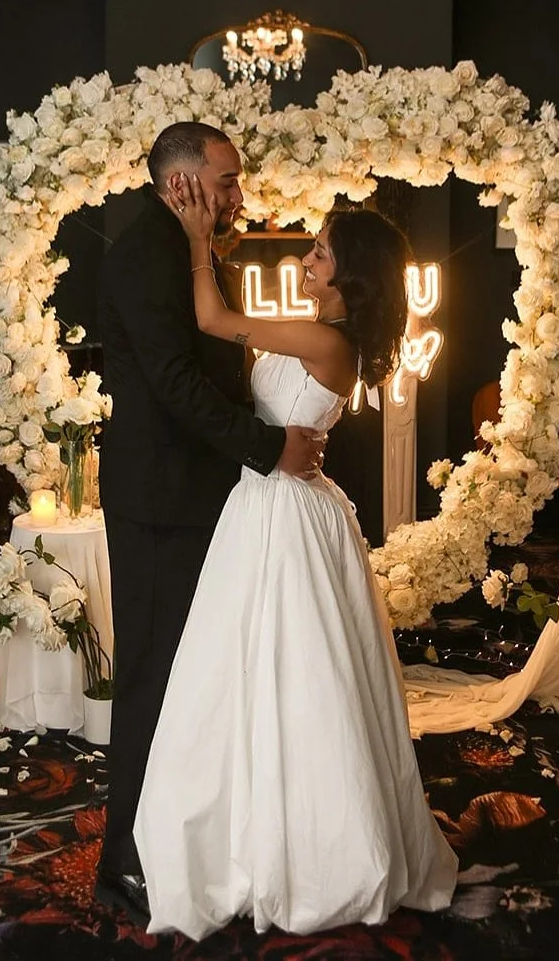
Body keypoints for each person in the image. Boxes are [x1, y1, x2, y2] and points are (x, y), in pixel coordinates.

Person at [134, 182, 459, 940]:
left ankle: (307, 845)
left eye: (319, 252)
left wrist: (193, 235)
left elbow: (211, 319)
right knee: (250, 663)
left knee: (295, 669)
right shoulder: (317, 331)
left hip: (283, 512)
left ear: (350, 276)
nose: (306, 259)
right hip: (265, 502)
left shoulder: (325, 342)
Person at [94, 123, 322, 924]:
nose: (237, 196)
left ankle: (178, 840)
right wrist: (269, 448)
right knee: (153, 679)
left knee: (187, 680)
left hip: (192, 492)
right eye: (225, 181)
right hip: (161, 497)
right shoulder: (145, 249)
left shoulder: (179, 241)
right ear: (181, 180)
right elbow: (171, 383)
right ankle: (121, 861)